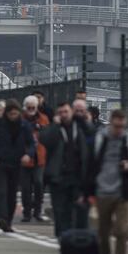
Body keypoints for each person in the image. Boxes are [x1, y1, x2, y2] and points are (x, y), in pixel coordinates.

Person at [86, 109, 128, 254]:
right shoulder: (101, 139)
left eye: (122, 126)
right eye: (116, 126)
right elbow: (92, 164)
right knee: (103, 232)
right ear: (111, 123)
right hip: (103, 191)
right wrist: (89, 191)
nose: (119, 129)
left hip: (123, 192)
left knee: (122, 231)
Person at [0, 99, 35, 233]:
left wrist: (28, 154)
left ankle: (8, 221)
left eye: (15, 114)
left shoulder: (24, 125)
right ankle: (2, 217)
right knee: (1, 191)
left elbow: (31, 143)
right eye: (11, 114)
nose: (13, 116)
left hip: (16, 164)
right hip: (0, 162)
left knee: (12, 194)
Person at [39, 101, 90, 238]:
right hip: (59, 177)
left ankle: (73, 237)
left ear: (71, 112)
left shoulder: (79, 127)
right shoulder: (55, 129)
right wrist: (55, 125)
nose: (64, 115)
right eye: (60, 112)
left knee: (77, 210)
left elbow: (91, 134)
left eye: (66, 112)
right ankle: (62, 237)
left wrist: (85, 119)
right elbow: (45, 140)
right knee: (60, 210)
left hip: (77, 177)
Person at [20, 95, 49, 222]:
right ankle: (27, 212)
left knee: (38, 183)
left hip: (40, 157)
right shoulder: (20, 120)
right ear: (25, 108)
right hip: (25, 158)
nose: (31, 109)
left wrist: (41, 129)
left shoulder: (43, 119)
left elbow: (48, 134)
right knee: (26, 187)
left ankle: (37, 211)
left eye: (33, 107)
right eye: (29, 107)